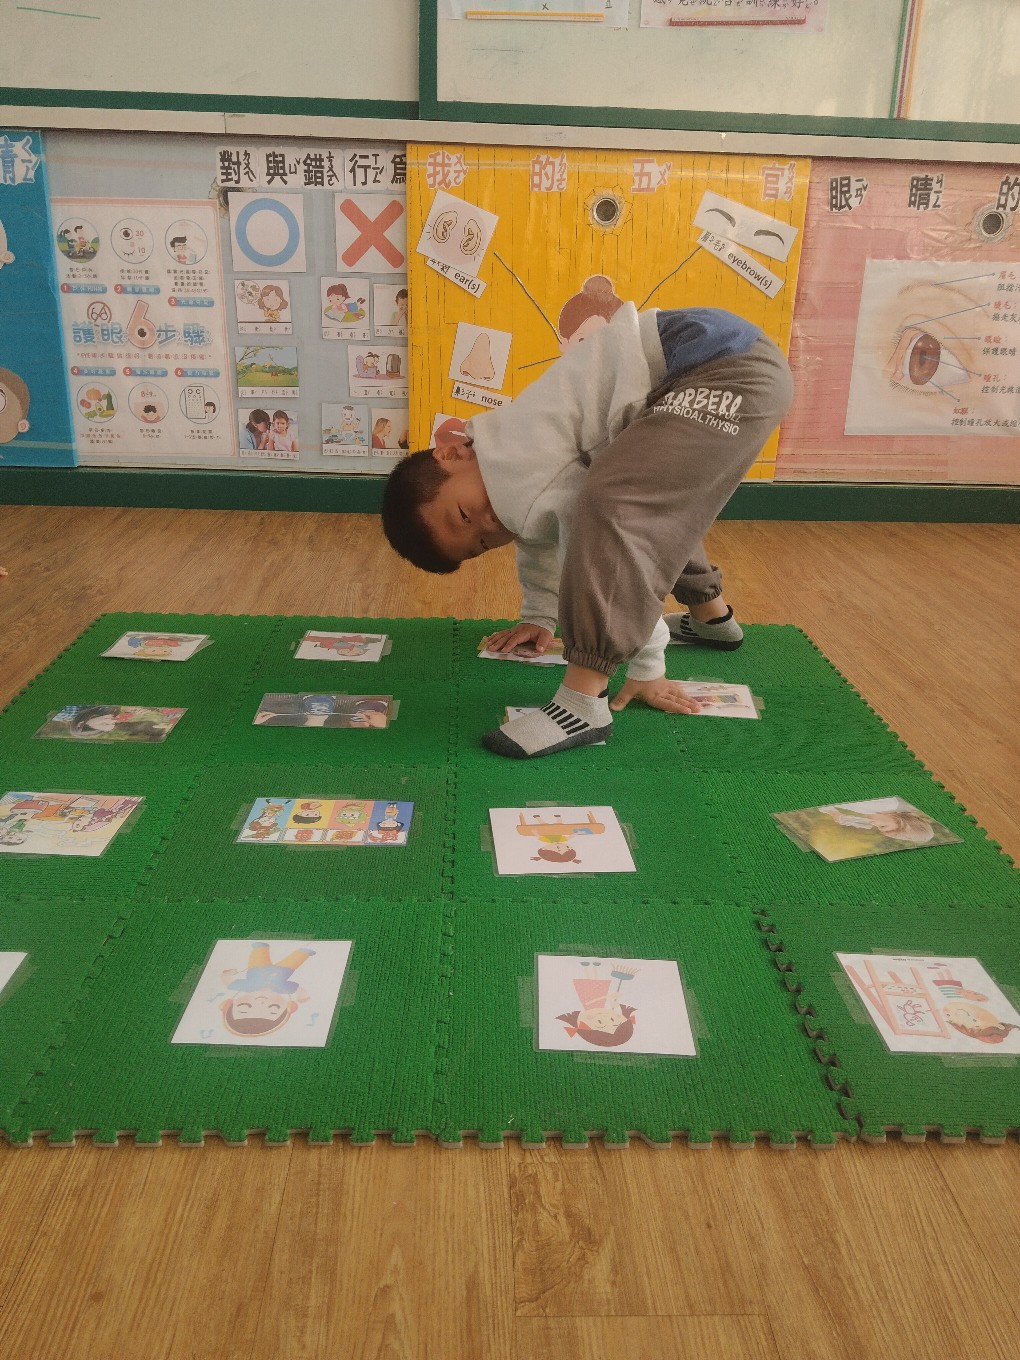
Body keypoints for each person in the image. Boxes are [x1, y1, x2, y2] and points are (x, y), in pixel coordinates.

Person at [381, 303, 793, 759]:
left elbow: (612, 553)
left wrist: (648, 664)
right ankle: (712, 619)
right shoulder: (504, 449)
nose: (489, 525)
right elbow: (538, 540)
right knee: (652, 493)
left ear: (451, 453)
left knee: (622, 506)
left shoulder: (519, 468)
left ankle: (584, 699)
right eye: (480, 543)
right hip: (719, 355)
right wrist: (539, 617)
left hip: (722, 369)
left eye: (462, 515)